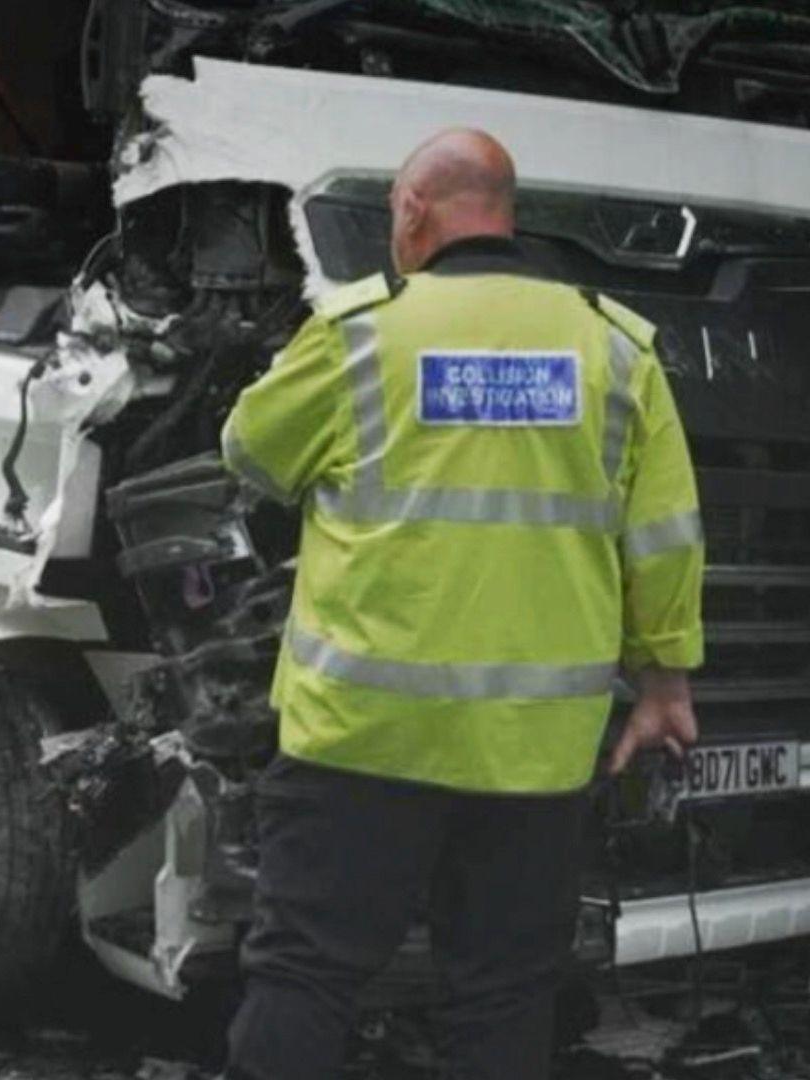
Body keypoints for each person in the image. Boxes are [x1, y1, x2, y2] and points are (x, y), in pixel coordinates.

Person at [218, 128, 704, 1079]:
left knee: (306, 978)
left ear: (411, 212)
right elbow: (667, 537)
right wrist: (665, 683)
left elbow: (250, 452)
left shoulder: (360, 335)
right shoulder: (613, 348)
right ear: (505, 211)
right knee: (502, 998)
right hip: (533, 752)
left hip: (361, 740)